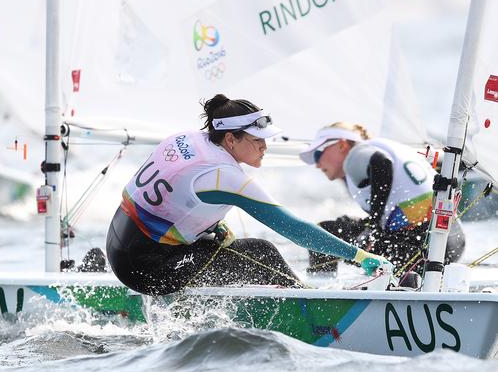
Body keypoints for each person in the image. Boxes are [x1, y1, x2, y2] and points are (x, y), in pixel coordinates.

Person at [105, 95, 393, 296]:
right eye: (257, 141)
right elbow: (295, 230)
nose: (264, 148)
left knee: (224, 240)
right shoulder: (225, 177)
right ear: (230, 139)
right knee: (259, 253)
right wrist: (359, 255)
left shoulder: (185, 139)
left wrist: (209, 227)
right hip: (144, 270)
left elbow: (175, 201)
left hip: (119, 242)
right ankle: (310, 303)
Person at [299, 122, 465, 276]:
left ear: (342, 144)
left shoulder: (356, 154)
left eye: (317, 155)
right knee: (359, 233)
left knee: (322, 235)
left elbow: (380, 163)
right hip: (450, 242)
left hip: (419, 243)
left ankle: (321, 291)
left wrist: (374, 225)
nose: (317, 164)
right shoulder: (389, 147)